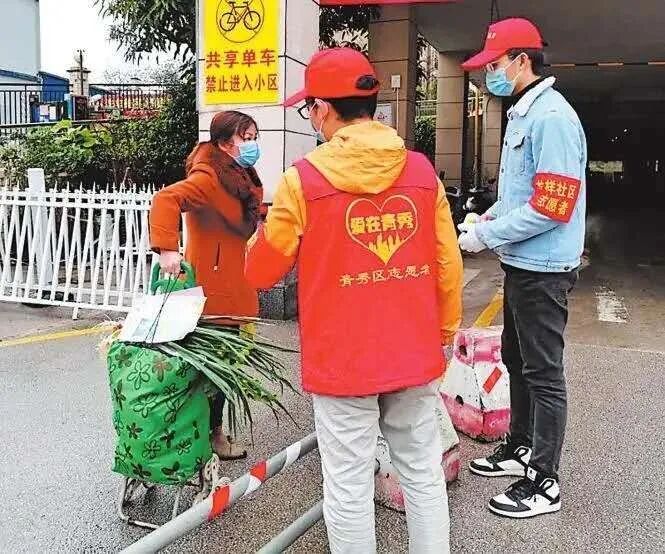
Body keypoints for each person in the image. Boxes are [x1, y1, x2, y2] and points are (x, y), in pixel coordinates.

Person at [245, 48, 463, 553]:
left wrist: (258, 236)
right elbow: (447, 262)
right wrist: (444, 333)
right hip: (412, 350)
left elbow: (263, 272)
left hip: (342, 359)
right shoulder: (421, 171)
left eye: (310, 108)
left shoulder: (302, 180)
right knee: (422, 472)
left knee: (347, 484)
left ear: (323, 109)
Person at [458, 18, 587, 519]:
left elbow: (552, 206)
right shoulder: (523, 113)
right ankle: (520, 446)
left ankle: (544, 480)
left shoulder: (552, 118)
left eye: (494, 64)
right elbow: (521, 194)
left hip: (544, 268)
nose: (489, 73)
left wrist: (485, 237)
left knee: (544, 373)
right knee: (517, 359)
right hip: (521, 262)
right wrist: (487, 217)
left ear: (521, 60)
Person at [149, 110, 263, 460]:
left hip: (232, 287)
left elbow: (239, 219)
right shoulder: (210, 176)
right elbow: (166, 199)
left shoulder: (239, 176)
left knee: (221, 369)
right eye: (246, 138)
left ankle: (205, 433)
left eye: (254, 137)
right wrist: (167, 249)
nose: (252, 145)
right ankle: (212, 436)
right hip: (212, 294)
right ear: (225, 143)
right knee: (214, 373)